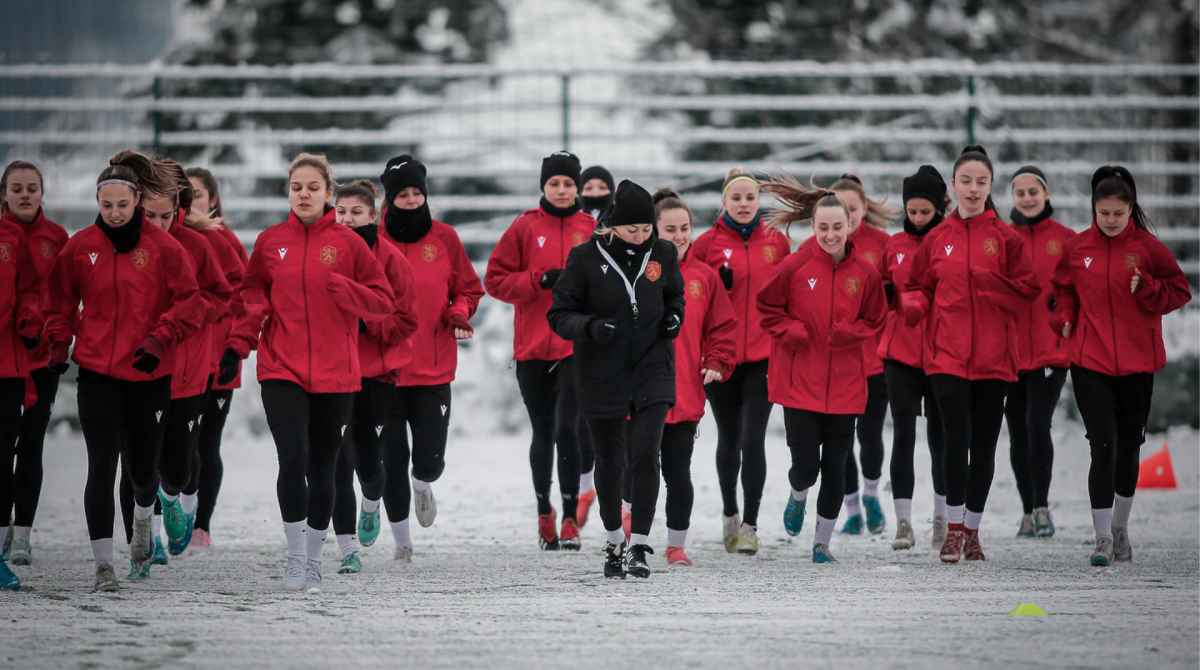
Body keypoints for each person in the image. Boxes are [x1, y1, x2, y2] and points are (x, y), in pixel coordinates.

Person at [226, 153, 394, 590]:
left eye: (313, 187)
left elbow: (382, 301)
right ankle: (296, 558)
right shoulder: (269, 241)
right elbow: (253, 295)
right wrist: (240, 343)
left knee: (323, 467)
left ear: (327, 193)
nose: (304, 193)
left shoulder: (350, 244)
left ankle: (317, 559)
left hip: (337, 372)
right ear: (289, 192)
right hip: (281, 365)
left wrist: (347, 289)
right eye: (296, 186)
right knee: (293, 457)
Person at [45, 149, 203, 592]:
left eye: (122, 204)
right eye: (106, 204)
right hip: (97, 375)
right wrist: (60, 341)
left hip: (149, 376)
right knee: (101, 466)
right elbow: (59, 300)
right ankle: (102, 566)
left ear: (137, 202)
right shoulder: (81, 247)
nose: (114, 213)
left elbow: (189, 301)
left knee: (142, 471)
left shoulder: (163, 247)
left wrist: (159, 340)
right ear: (98, 202)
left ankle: (141, 520)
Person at [901, 146, 1039, 564]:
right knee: (953, 441)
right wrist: (915, 306)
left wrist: (991, 283)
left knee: (982, 447)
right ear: (954, 186)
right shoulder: (938, 237)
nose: (973, 189)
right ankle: (954, 530)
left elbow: (1028, 291)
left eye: (981, 182)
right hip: (946, 357)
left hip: (994, 359)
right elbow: (917, 285)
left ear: (990, 186)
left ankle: (973, 531)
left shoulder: (1006, 238)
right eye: (966, 181)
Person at [1050, 166, 1190, 566]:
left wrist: (1148, 288)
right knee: (1102, 447)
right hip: (1089, 361)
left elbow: (1179, 291)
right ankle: (1101, 539)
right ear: (1093, 209)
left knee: (1128, 450)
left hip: (1136, 365)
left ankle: (1120, 530)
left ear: (1131, 211)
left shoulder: (1147, 249)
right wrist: (1063, 316)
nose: (1110, 220)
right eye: (1103, 212)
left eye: (1118, 213)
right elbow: (1062, 290)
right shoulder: (1078, 250)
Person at [548, 180, 685, 579]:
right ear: (613, 226)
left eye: (647, 229)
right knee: (609, 461)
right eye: (632, 230)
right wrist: (590, 327)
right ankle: (613, 542)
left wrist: (675, 316)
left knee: (645, 454)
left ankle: (639, 542)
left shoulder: (662, 253)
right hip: (600, 372)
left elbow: (674, 296)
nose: (641, 237)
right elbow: (558, 314)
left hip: (652, 368)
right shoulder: (585, 258)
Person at [756, 175, 887, 564]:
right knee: (807, 466)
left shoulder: (865, 273)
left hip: (846, 386)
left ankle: (822, 544)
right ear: (812, 227)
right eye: (823, 227)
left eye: (838, 227)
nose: (831, 235)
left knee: (836, 466)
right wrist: (791, 331)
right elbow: (767, 309)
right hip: (800, 385)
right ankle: (798, 496)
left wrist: (852, 334)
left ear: (850, 226)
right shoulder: (793, 266)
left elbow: (875, 319)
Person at [118, 163, 233, 580]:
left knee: (180, 470)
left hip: (186, 371)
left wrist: (194, 313)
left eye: (167, 215)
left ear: (179, 210)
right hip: (138, 372)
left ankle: (172, 501)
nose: (160, 224)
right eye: (151, 216)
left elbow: (224, 295)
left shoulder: (198, 245)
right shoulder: (122, 245)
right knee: (135, 466)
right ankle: (140, 545)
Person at [485, 151, 595, 550]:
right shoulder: (525, 227)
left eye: (569, 183)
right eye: (555, 183)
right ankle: (543, 511)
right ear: (544, 187)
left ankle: (570, 519)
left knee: (568, 429)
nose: (562, 190)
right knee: (543, 432)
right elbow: (494, 281)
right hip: (532, 351)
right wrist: (538, 280)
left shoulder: (591, 228)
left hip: (574, 348)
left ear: (578, 186)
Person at [377, 155, 483, 562]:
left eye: (416, 192)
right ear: (390, 198)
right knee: (391, 458)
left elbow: (469, 289)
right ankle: (402, 541)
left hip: (433, 367)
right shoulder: (373, 241)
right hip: (386, 368)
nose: (410, 199)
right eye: (402, 194)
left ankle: (423, 484)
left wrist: (458, 314)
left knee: (429, 460)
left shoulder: (444, 239)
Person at [689, 166, 791, 555]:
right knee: (729, 439)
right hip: (721, 358)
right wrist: (719, 286)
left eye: (750, 198)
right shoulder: (706, 244)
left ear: (759, 202)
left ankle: (750, 524)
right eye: (737, 198)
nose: (744, 204)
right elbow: (693, 292)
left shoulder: (777, 242)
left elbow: (788, 291)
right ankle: (730, 514)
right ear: (724, 202)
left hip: (765, 356)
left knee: (753, 438)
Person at [328, 180, 418, 575]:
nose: (347, 220)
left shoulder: (392, 259)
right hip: (330, 373)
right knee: (335, 461)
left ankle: (371, 500)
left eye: (355, 213)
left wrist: (368, 325)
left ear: (373, 215)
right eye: (341, 212)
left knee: (368, 462)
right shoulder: (323, 252)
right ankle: (348, 548)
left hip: (377, 374)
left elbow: (407, 319)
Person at [652, 187, 736, 566]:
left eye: (685, 227)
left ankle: (675, 545)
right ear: (653, 231)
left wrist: (717, 360)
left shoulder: (704, 277)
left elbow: (722, 328)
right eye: (670, 229)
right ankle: (628, 526)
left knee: (677, 473)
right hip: (642, 394)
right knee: (637, 469)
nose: (680, 236)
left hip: (685, 394)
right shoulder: (642, 273)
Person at [0, 160, 68, 569]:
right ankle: (2, 527)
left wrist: (55, 335)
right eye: (16, 188)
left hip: (40, 355)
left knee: (31, 445)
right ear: (4, 194)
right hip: (5, 357)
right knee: (2, 449)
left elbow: (64, 293)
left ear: (42, 193)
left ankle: (22, 535)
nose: (24, 194)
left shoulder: (56, 238)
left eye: (31, 188)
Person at [1004, 165, 1076, 539]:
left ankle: (1042, 506)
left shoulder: (1065, 239)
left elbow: (1076, 290)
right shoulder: (1001, 238)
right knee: (1017, 433)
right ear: (1012, 197)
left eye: (1034, 191)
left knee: (1037, 424)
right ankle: (1027, 511)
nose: (1028, 198)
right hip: (1010, 353)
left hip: (1050, 350)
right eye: (1020, 193)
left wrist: (1062, 311)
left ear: (1046, 194)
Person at [880, 166, 949, 551]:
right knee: (903, 435)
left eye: (925, 211)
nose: (918, 218)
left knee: (941, 438)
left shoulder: (949, 241)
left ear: (939, 207)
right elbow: (880, 293)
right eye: (912, 211)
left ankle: (941, 520)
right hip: (901, 353)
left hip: (941, 354)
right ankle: (903, 523)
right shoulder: (895, 245)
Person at [827, 174, 897, 536]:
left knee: (870, 436)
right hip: (835, 364)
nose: (847, 216)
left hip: (873, 362)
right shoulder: (822, 247)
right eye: (839, 208)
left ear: (864, 209)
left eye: (852, 208)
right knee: (840, 442)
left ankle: (871, 494)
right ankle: (852, 509)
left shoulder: (883, 245)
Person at [186, 166, 249, 551]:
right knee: (178, 444)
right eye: (183, 194)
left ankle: (200, 528)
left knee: (207, 443)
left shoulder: (225, 241)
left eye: (195, 194)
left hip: (221, 359)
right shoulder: (166, 240)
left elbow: (244, 296)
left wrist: (232, 348)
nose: (189, 201)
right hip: (179, 361)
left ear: (212, 200)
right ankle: (170, 513)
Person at [0, 190, 41, 590]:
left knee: (3, 462)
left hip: (6, 367)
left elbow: (29, 290)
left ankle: (0, 556)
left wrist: (29, 320)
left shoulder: (11, 240)